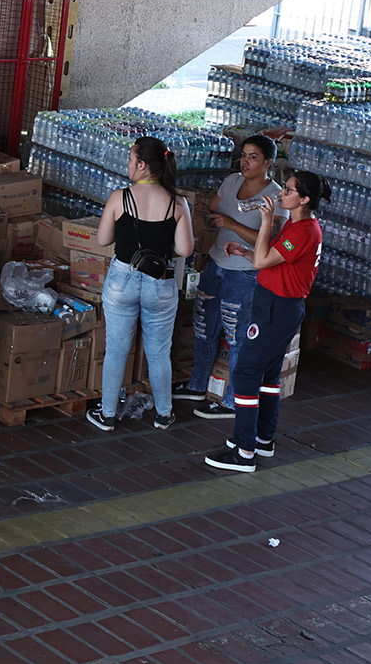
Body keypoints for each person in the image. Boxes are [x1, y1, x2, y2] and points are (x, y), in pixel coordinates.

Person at [204, 169, 330, 474]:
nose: (281, 194)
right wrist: (247, 251)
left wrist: (264, 222)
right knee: (269, 375)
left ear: (305, 199)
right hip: (277, 305)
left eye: (288, 191)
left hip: (277, 309)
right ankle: (263, 437)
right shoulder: (297, 224)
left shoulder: (303, 231)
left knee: (246, 374)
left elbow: (263, 262)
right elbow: (270, 260)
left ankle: (244, 450)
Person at [177, 135, 288, 420]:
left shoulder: (276, 197)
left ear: (268, 163)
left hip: (245, 273)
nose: (245, 161)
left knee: (238, 337)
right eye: (244, 155)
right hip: (215, 263)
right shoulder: (231, 182)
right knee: (204, 328)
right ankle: (197, 385)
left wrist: (231, 224)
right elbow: (213, 209)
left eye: (253, 156)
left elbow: (272, 239)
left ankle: (232, 401)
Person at [87, 137, 193, 432]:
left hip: (122, 279)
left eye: (131, 159)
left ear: (143, 165)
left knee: (117, 350)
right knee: (159, 352)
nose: (128, 165)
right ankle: (163, 414)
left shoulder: (119, 197)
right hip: (160, 283)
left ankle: (107, 415)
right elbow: (185, 249)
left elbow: (103, 240)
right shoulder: (177, 202)